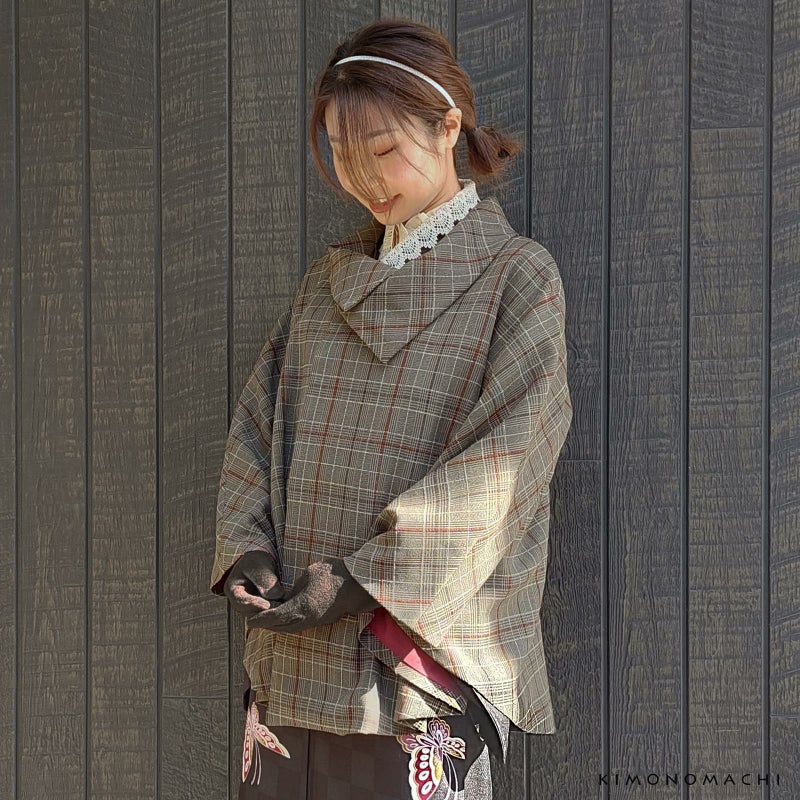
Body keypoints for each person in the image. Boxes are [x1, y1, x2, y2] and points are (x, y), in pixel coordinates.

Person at [209, 17, 573, 800]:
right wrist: (248, 550)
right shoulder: (324, 286)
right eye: (343, 157)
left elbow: (503, 470)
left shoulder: (517, 278)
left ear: (448, 127)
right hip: (293, 668)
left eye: (380, 151)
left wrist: (358, 579)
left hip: (418, 671)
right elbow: (257, 427)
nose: (364, 180)